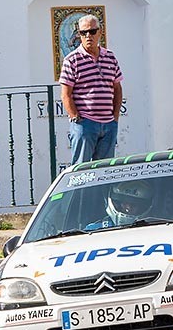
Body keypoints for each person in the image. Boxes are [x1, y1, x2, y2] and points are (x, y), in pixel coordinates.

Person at [59, 15, 124, 164]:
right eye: (83, 32)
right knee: (81, 171)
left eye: (92, 31)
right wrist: (76, 118)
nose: (88, 36)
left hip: (108, 124)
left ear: (99, 33)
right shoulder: (72, 60)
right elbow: (65, 94)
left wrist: (114, 117)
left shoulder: (110, 57)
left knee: (105, 171)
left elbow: (117, 89)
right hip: (85, 124)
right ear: (79, 35)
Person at [85, 181, 155, 230]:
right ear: (114, 201)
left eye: (134, 204)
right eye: (123, 202)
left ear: (143, 206)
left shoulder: (155, 230)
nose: (128, 208)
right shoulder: (92, 230)